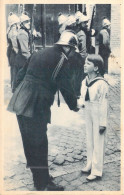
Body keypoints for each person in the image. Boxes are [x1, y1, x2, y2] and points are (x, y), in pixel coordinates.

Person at [7, 31, 84, 191]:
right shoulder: (61, 59)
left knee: (30, 142)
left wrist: (18, 92)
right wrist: (74, 105)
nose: (72, 54)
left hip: (20, 101)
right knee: (40, 143)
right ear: (68, 48)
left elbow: (21, 74)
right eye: (72, 50)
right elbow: (65, 85)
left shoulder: (40, 52)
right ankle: (43, 183)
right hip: (36, 104)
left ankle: (39, 177)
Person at [78, 54, 109, 181]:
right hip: (88, 112)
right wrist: (79, 104)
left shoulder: (102, 83)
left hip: (98, 113)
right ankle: (90, 164)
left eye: (88, 63)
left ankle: (97, 171)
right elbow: (82, 97)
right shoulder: (84, 81)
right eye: (85, 63)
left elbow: (104, 104)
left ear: (96, 68)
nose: (85, 65)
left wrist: (103, 123)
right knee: (89, 139)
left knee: (98, 141)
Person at [12, 12, 32, 92]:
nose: (29, 23)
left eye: (29, 21)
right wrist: (32, 59)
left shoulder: (24, 32)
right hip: (22, 60)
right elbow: (24, 51)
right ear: (22, 23)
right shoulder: (23, 34)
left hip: (21, 59)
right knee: (21, 81)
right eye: (26, 21)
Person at [7, 12, 20, 91]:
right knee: (15, 70)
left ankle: (13, 86)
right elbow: (15, 45)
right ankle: (14, 88)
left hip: (11, 51)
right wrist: (19, 53)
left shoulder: (9, 29)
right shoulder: (13, 31)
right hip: (14, 52)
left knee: (13, 70)